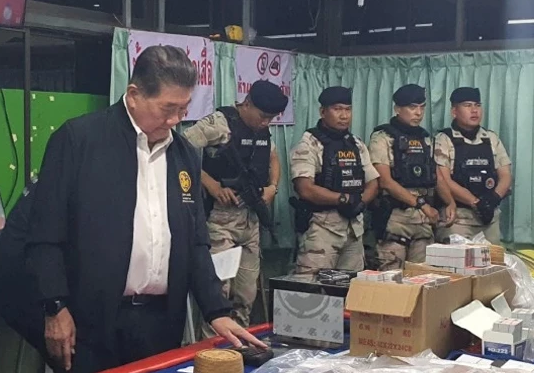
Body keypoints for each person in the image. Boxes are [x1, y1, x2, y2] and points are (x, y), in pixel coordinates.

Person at [10, 45, 264, 373]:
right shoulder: (80, 140)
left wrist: (216, 311)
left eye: (183, 109)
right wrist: (55, 306)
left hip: (160, 323)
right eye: (167, 108)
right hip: (91, 321)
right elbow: (46, 234)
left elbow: (195, 243)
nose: (175, 120)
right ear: (133, 95)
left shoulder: (184, 155)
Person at [180, 80, 288, 327]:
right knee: (219, 293)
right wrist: (211, 184)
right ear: (247, 103)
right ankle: (212, 346)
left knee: (246, 295)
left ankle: (239, 344)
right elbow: (180, 150)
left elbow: (273, 157)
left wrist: (272, 187)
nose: (266, 123)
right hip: (220, 221)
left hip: (251, 220)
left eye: (271, 119)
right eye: (263, 116)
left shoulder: (261, 130)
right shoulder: (221, 123)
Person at [290, 86, 380, 278]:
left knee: (351, 288)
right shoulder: (309, 143)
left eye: (348, 109)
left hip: (354, 230)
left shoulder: (356, 143)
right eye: (337, 109)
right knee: (311, 287)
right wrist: (343, 199)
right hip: (322, 229)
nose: (344, 115)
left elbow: (373, 182)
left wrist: (360, 202)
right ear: (323, 112)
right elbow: (305, 189)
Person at [369, 84, 456, 269]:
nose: (418, 113)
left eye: (422, 107)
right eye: (412, 107)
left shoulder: (425, 138)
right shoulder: (383, 137)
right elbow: (385, 181)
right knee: (391, 278)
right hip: (395, 218)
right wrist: (421, 204)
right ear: (397, 109)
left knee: (423, 277)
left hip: (423, 221)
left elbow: (436, 176)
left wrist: (450, 202)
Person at [434, 87, 512, 244]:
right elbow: (444, 179)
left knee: (493, 259)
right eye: (467, 105)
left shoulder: (490, 138)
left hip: (489, 219)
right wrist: (476, 202)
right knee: (457, 259)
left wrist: (494, 198)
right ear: (454, 111)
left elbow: (506, 175)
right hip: (459, 218)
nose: (474, 110)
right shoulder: (444, 139)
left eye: (477, 105)